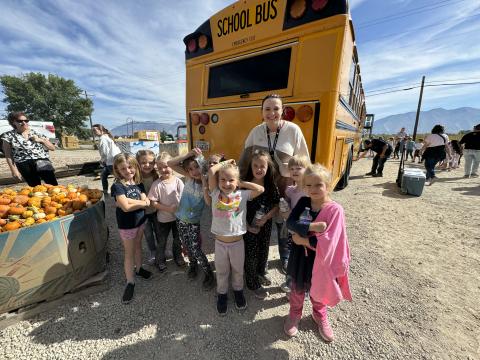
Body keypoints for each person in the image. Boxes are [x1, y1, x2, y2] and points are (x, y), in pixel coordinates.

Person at [239, 94, 309, 277]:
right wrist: (235, 183)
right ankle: (257, 263)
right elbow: (244, 161)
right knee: (261, 224)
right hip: (261, 191)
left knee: (283, 224)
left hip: (286, 189)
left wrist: (306, 187)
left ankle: (285, 256)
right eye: (267, 109)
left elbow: (304, 162)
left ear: (283, 110)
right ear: (261, 112)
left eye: (276, 108)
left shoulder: (293, 130)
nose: (272, 113)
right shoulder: (256, 132)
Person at [283, 164, 352, 342]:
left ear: (328, 186)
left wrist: (303, 239)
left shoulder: (335, 210)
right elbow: (290, 223)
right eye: (309, 185)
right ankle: (295, 313)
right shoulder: (304, 202)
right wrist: (314, 227)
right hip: (300, 257)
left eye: (318, 185)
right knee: (297, 288)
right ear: (304, 186)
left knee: (319, 289)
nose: (313, 189)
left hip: (321, 259)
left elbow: (331, 241)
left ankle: (319, 314)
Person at [208, 159, 264, 315]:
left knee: (238, 270)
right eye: (223, 180)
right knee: (221, 271)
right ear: (218, 182)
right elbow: (212, 172)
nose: (226, 184)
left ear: (237, 181)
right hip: (220, 243)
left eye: (231, 180)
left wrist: (241, 183)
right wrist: (224, 163)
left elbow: (260, 188)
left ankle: (238, 291)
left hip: (238, 243)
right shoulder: (215, 193)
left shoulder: (242, 194)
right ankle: (222, 294)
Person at [168, 148, 215, 290]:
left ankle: (208, 273)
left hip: (193, 222)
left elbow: (208, 203)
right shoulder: (188, 177)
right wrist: (188, 154)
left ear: (202, 167)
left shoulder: (207, 184)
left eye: (197, 167)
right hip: (180, 219)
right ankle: (193, 265)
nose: (194, 171)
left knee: (195, 248)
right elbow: (170, 163)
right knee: (187, 246)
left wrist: (204, 182)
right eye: (190, 169)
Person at [111, 153, 152, 304]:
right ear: (117, 170)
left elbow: (144, 199)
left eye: (130, 167)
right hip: (127, 226)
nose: (128, 171)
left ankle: (139, 269)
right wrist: (141, 203)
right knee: (129, 253)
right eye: (123, 169)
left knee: (138, 247)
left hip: (140, 222)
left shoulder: (138, 183)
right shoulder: (117, 186)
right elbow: (127, 208)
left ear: (135, 167)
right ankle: (130, 282)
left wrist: (129, 201)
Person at [241, 149, 280, 299]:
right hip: (248, 226)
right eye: (255, 166)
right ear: (251, 166)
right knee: (250, 254)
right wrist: (248, 226)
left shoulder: (271, 185)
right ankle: (252, 283)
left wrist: (266, 218)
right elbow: (237, 208)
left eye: (262, 166)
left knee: (263, 250)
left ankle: (260, 272)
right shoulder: (245, 185)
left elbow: (276, 205)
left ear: (268, 167)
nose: (258, 169)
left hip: (265, 226)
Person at [148, 152, 185, 272]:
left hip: (178, 218)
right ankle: (160, 260)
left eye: (166, 166)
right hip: (163, 219)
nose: (163, 170)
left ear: (172, 166)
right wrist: (168, 209)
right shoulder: (157, 185)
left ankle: (178, 256)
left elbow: (184, 197)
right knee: (162, 241)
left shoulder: (178, 181)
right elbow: (153, 202)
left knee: (177, 239)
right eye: (160, 168)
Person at [279, 155, 310, 293]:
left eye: (299, 168)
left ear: (307, 169)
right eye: (292, 168)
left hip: (304, 231)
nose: (295, 171)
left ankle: (304, 285)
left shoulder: (309, 190)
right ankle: (290, 283)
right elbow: (286, 208)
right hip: (291, 230)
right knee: (292, 256)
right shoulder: (290, 190)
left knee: (304, 258)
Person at [1, 111, 58, 186]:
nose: (24, 123)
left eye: (26, 120)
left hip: (42, 161)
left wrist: (40, 140)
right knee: (35, 187)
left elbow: (52, 148)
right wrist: (14, 170)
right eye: (20, 121)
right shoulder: (8, 136)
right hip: (24, 164)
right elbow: (8, 155)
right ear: (13, 122)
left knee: (53, 185)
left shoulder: (36, 133)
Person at [136, 150, 158, 265]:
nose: (147, 165)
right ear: (137, 163)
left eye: (150, 162)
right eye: (143, 162)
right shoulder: (135, 178)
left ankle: (161, 249)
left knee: (159, 231)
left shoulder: (156, 176)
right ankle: (153, 251)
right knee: (148, 234)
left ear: (154, 163)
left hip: (156, 210)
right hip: (143, 212)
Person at [93, 124, 121, 194]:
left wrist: (102, 161)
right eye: (93, 131)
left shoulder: (103, 138)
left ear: (101, 130)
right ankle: (105, 191)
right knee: (104, 175)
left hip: (111, 161)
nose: (94, 132)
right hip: (116, 159)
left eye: (95, 130)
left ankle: (122, 190)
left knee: (119, 178)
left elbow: (105, 152)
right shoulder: (107, 136)